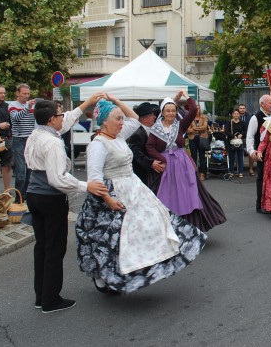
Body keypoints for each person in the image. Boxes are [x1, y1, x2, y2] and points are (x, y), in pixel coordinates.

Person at [77, 96, 206, 295]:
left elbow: (135, 118)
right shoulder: (99, 144)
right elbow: (95, 179)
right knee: (113, 238)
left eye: (121, 118)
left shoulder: (118, 137)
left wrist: (115, 100)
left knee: (153, 223)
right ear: (104, 122)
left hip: (133, 187)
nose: (122, 122)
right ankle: (103, 276)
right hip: (112, 193)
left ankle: (137, 269)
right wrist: (109, 200)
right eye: (117, 119)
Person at [25, 95, 109, 313]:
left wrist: (87, 103)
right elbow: (57, 178)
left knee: (42, 247)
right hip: (50, 197)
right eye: (60, 115)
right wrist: (85, 186)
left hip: (34, 194)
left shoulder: (37, 134)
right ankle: (51, 300)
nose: (63, 118)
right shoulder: (52, 142)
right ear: (52, 119)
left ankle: (41, 295)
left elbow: (69, 119)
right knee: (54, 248)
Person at [146, 93, 227, 231]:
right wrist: (161, 159)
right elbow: (149, 147)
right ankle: (168, 227)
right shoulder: (156, 129)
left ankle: (192, 226)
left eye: (173, 110)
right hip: (166, 166)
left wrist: (186, 96)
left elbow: (194, 109)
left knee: (188, 193)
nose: (171, 113)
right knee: (168, 196)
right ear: (162, 112)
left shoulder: (180, 125)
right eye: (168, 110)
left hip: (181, 164)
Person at [246, 94, 271, 214]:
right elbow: (250, 136)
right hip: (261, 153)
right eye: (270, 103)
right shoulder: (255, 118)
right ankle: (260, 205)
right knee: (261, 178)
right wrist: (252, 151)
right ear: (262, 104)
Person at [8, 84, 36, 203]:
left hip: (30, 139)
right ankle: (19, 198)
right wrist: (27, 107)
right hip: (18, 139)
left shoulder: (32, 106)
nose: (26, 96)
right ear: (17, 93)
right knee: (20, 172)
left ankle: (28, 197)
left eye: (28, 94)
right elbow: (16, 118)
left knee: (31, 170)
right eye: (24, 93)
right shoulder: (12, 105)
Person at [127, 102, 163, 189]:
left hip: (148, 172)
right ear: (143, 119)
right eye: (151, 115)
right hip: (141, 173)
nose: (154, 117)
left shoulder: (149, 129)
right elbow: (136, 153)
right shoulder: (138, 133)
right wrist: (150, 163)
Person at [186, 107, 209, 181]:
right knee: (193, 156)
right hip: (192, 138)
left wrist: (194, 128)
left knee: (202, 157)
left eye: (198, 109)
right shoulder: (189, 118)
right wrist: (198, 128)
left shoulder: (204, 117)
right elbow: (188, 130)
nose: (197, 110)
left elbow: (205, 127)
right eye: (195, 109)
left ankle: (202, 173)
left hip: (201, 138)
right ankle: (194, 173)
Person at [225, 108, 246, 177]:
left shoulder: (242, 122)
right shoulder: (229, 122)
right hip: (231, 142)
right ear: (232, 115)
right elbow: (226, 131)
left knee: (240, 158)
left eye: (237, 114)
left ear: (239, 115)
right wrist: (233, 136)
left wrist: (242, 135)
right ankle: (231, 172)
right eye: (235, 114)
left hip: (240, 142)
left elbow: (246, 131)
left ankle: (240, 172)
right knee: (232, 158)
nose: (236, 115)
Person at [238, 104, 254, 176]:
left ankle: (251, 168)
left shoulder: (250, 117)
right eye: (240, 108)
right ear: (238, 109)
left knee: (250, 153)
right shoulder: (236, 116)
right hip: (239, 137)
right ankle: (240, 170)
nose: (242, 109)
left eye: (243, 108)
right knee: (238, 153)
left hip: (248, 137)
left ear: (245, 109)